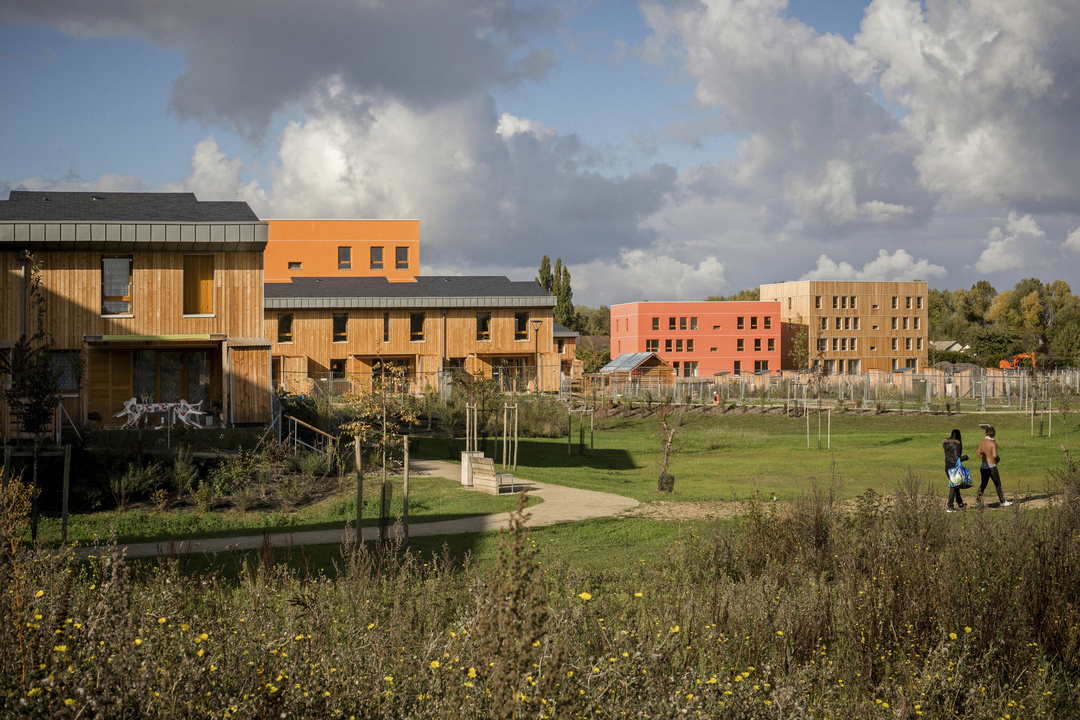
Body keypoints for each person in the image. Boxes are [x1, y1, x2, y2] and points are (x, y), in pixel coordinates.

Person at [976, 426, 1012, 508]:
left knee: (983, 484)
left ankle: (978, 501)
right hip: (992, 466)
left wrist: (984, 458)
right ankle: (1002, 501)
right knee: (997, 484)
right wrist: (997, 459)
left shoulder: (982, 442)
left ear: (986, 433)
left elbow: (977, 453)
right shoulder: (993, 443)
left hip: (983, 466)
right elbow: (995, 455)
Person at [943, 428, 968, 513]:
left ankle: (960, 503)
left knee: (956, 485)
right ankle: (950, 506)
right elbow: (957, 459)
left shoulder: (946, 443)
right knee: (954, 486)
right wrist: (965, 457)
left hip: (947, 466)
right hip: (954, 467)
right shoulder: (957, 444)